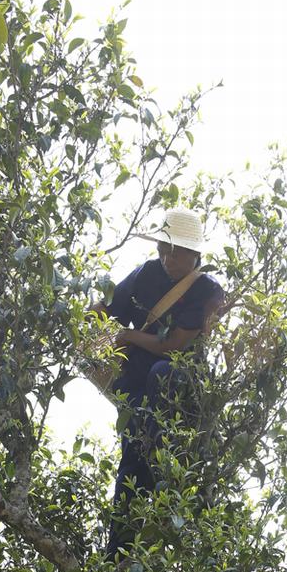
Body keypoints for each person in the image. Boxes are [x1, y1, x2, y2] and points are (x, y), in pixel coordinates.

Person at [94, 207, 224, 554]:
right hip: (137, 391)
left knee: (161, 373)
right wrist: (75, 322)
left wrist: (127, 337)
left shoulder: (208, 290)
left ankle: (163, 477)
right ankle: (118, 557)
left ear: (194, 253)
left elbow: (174, 346)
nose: (166, 258)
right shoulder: (146, 274)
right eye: (162, 248)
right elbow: (107, 307)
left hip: (175, 389)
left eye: (175, 251)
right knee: (130, 468)